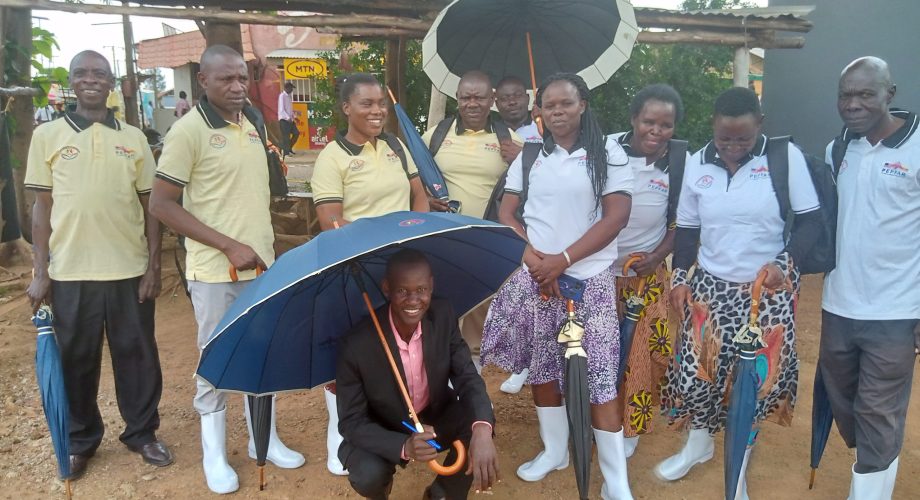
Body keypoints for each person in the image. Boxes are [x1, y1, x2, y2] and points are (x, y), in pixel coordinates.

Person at [149, 45, 304, 494]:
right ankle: (214, 455)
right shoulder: (187, 132)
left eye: (242, 78)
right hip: (216, 273)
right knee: (215, 362)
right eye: (226, 80)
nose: (237, 87)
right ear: (203, 80)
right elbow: (160, 205)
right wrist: (227, 244)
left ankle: (265, 438)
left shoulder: (252, 122)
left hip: (263, 270)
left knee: (262, 357)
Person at [658, 87, 820, 498]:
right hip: (709, 290)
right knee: (695, 377)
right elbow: (689, 229)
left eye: (742, 139)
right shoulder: (698, 164)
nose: (732, 147)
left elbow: (809, 222)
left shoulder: (784, 159)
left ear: (760, 126)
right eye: (724, 138)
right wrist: (679, 278)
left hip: (765, 294)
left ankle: (739, 473)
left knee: (751, 387)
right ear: (712, 127)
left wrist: (783, 266)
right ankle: (699, 444)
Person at [481, 73, 635, 499]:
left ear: (583, 104)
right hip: (538, 281)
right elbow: (507, 214)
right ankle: (554, 451)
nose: (558, 111)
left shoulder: (608, 152)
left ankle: (615, 480)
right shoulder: (530, 157)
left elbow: (616, 217)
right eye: (549, 106)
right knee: (545, 368)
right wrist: (534, 260)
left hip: (590, 283)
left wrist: (563, 261)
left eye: (566, 103)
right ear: (539, 112)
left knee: (600, 379)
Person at [24, 50, 172, 479]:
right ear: (72, 81)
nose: (91, 80)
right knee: (76, 360)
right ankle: (80, 440)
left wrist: (153, 266)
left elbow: (151, 207)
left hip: (128, 269)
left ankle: (142, 432)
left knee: (138, 356)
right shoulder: (48, 136)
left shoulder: (134, 139)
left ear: (111, 83)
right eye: (82, 74)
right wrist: (41, 270)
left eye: (99, 74)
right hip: (70, 272)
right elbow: (41, 208)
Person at [311, 72, 429, 476]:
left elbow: (419, 192)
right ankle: (340, 436)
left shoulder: (395, 145)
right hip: (356, 268)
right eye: (366, 103)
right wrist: (365, 250)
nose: (377, 110)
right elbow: (330, 220)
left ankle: (388, 427)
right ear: (346, 108)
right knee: (352, 354)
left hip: (401, 266)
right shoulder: (333, 157)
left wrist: (417, 232)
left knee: (396, 346)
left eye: (381, 102)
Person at [819, 57, 920, 498]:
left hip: (897, 310)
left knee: (878, 411)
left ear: (889, 94)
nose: (854, 104)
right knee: (847, 405)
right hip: (837, 305)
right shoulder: (837, 149)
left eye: (865, 94)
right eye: (846, 95)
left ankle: (870, 488)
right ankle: (875, 466)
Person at [336, 249, 498, 499]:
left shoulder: (443, 315)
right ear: (387, 288)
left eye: (421, 290)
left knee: (479, 419)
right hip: (384, 426)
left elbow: (467, 377)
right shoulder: (357, 343)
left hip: (433, 422)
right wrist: (403, 446)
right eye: (402, 291)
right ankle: (381, 487)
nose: (413, 300)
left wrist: (483, 431)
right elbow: (351, 422)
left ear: (431, 286)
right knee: (368, 475)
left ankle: (442, 493)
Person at [422, 70, 523, 372]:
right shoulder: (436, 135)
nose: (472, 104)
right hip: (443, 239)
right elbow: (412, 178)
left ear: (492, 99)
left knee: (480, 310)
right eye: (466, 97)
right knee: (440, 306)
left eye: (479, 97)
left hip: (486, 239)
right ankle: (438, 377)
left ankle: (471, 381)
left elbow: (532, 186)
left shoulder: (509, 138)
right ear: (458, 99)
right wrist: (425, 201)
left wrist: (523, 160)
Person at [609, 83, 688, 458]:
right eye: (648, 122)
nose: (656, 132)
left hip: (647, 275)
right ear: (633, 119)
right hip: (600, 274)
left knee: (642, 353)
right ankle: (602, 418)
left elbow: (682, 222)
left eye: (666, 125)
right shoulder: (606, 150)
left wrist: (657, 257)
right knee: (602, 352)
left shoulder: (679, 161)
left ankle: (631, 428)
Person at [493, 75, 543, 394]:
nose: (511, 101)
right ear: (496, 102)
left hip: (539, 217)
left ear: (527, 99)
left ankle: (537, 364)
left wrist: (526, 153)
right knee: (517, 300)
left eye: (516, 96)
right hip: (507, 218)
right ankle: (521, 363)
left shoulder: (541, 126)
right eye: (505, 97)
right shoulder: (495, 129)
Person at [495, 76, 542, 143]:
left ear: (528, 98)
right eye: (504, 98)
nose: (512, 102)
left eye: (518, 96)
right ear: (497, 104)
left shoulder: (542, 127)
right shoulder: (491, 131)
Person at [278, 82, 299, 156]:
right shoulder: (282, 96)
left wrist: (293, 116)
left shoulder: (289, 97)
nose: (292, 90)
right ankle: (286, 153)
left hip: (290, 120)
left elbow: (289, 109)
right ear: (287, 88)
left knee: (296, 133)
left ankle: (289, 148)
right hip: (284, 120)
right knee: (286, 137)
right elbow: (281, 109)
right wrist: (287, 118)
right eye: (291, 88)